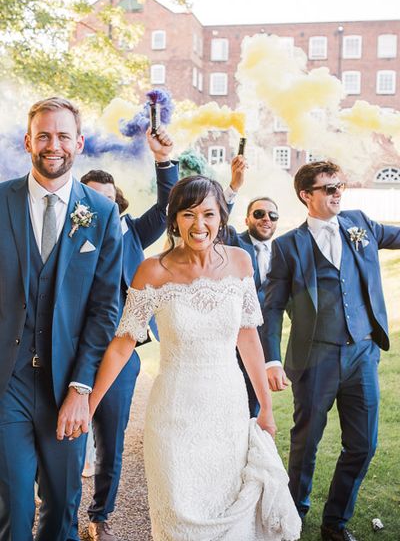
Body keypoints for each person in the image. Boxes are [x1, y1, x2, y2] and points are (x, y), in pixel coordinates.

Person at [87, 175, 302, 541]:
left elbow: (248, 336)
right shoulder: (152, 271)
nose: (199, 225)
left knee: (228, 511)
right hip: (174, 414)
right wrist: (89, 405)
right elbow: (124, 342)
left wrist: (264, 408)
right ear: (174, 220)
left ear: (222, 218)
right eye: (188, 215)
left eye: (208, 214)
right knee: (177, 515)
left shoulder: (240, 262)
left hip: (227, 411)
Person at [0, 97, 123, 541]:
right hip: (6, 384)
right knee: (12, 510)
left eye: (63, 136)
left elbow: (104, 309)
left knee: (62, 512)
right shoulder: (0, 201)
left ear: (79, 142)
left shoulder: (103, 213)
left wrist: (81, 389)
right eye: (44, 135)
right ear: (28, 140)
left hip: (66, 385)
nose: (54, 145)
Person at [260, 160, 400, 541]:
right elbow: (271, 307)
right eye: (328, 188)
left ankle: (335, 523)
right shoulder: (288, 246)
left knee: (363, 444)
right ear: (306, 195)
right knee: (306, 443)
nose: (338, 192)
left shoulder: (361, 224)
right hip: (314, 358)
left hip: (363, 354)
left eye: (340, 185)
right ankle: (294, 516)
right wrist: (271, 359)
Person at [78, 128, 178, 541]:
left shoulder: (134, 232)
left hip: (123, 354)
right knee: (63, 438)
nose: (99, 202)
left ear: (116, 199)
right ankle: (60, 510)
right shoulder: (69, 236)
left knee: (111, 442)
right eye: (91, 197)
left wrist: (163, 161)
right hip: (72, 350)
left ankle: (100, 516)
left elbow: (168, 202)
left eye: (106, 195)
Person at [226, 189, 279, 416]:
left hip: (264, 338)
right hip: (231, 337)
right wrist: (234, 189)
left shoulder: (282, 252)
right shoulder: (233, 241)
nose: (266, 219)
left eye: (273, 216)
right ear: (247, 219)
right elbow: (217, 223)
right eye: (259, 213)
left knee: (253, 403)